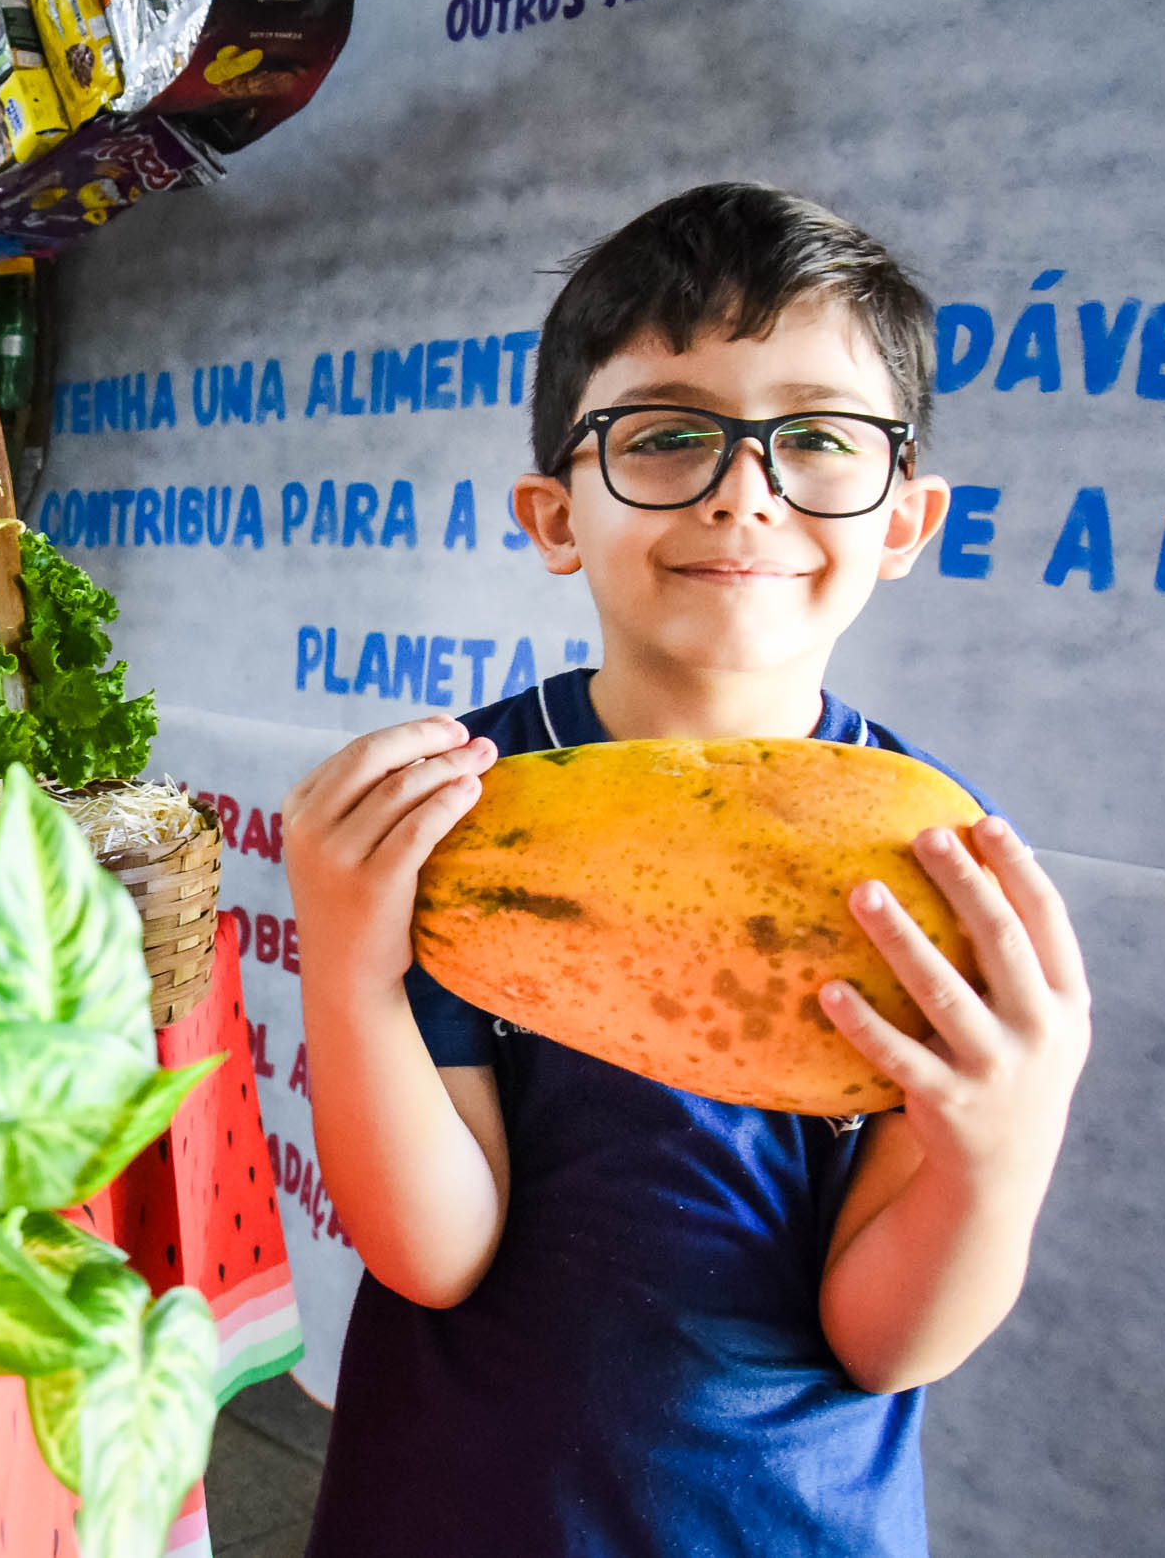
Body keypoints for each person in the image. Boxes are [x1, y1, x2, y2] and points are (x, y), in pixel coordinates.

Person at [289, 184, 1092, 1556]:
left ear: (905, 518)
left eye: (821, 440)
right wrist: (350, 962)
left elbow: (884, 1335)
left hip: (785, 1521)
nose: (744, 487)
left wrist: (1002, 1151)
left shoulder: (944, 865)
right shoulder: (450, 813)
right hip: (458, 1507)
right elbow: (435, 1246)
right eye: (666, 435)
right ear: (554, 515)